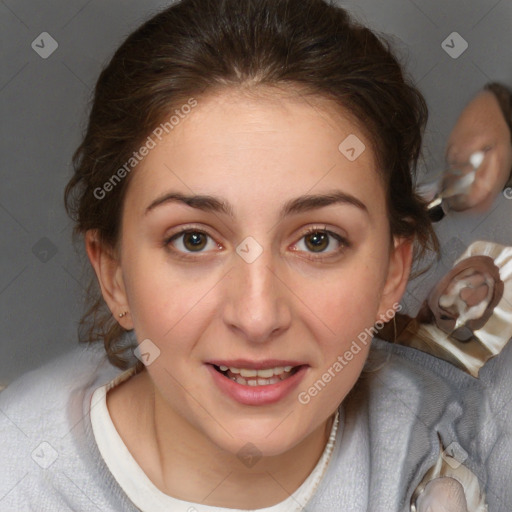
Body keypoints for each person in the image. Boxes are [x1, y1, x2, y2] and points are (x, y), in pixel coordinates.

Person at [0, 0, 505, 510]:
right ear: (114, 275)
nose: (257, 316)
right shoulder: (20, 475)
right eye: (193, 240)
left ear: (392, 274)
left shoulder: (467, 439)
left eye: (317, 240)